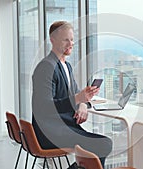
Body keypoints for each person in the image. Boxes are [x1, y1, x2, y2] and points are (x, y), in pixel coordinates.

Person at [31, 21, 112, 167]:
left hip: (64, 126)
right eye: (65, 40)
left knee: (101, 145)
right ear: (52, 40)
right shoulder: (46, 67)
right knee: (103, 144)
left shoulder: (66, 66)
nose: (71, 43)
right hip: (49, 131)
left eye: (72, 39)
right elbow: (44, 107)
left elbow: (76, 94)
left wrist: (82, 104)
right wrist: (78, 98)